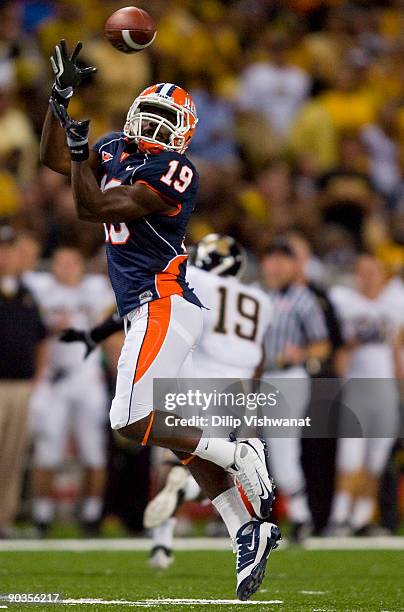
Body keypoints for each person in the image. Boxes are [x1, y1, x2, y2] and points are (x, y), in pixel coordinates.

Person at [40, 40, 278, 600]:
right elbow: (53, 161)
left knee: (128, 419)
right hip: (149, 309)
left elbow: (91, 208)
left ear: (185, 131)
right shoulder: (117, 146)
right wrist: (58, 102)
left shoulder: (176, 169)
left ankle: (237, 451)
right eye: (149, 111)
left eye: (166, 118)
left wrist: (79, 158)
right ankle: (245, 530)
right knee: (175, 440)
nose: (152, 122)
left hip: (161, 302)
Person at [24, 246, 114, 536]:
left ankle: (91, 514)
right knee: (47, 451)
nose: (65, 268)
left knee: (94, 452)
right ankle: (42, 516)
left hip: (89, 379)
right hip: (54, 380)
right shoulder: (41, 290)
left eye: (71, 262)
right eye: (60, 262)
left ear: (81, 265)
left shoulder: (96, 289)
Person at [260, 239, 330, 542]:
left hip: (288, 378)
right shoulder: (256, 295)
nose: (275, 266)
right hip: (256, 380)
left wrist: (299, 355)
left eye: (282, 260)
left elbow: (322, 344)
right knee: (249, 449)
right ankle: (253, 516)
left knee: (283, 450)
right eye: (271, 259)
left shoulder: (304, 299)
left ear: (293, 265)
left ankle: (301, 517)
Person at [327, 255, 401, 535]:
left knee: (376, 460)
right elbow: (339, 353)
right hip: (355, 389)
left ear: (383, 274)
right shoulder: (345, 302)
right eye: (363, 271)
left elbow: (396, 349)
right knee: (349, 458)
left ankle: (361, 519)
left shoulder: (395, 303)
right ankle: (339, 516)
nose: (368, 276)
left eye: (373, 271)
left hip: (385, 391)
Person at [0, 226, 47, 538]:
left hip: (21, 385)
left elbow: (41, 338)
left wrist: (37, 376)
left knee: (13, 456)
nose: (6, 256)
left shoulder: (27, 292)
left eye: (10, 249)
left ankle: (3, 519)